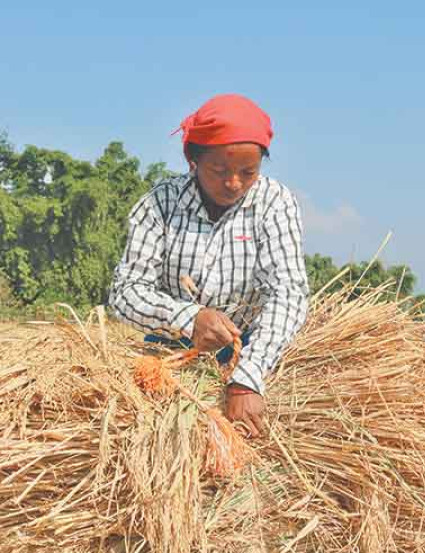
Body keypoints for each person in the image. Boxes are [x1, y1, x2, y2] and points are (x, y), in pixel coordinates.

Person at [110, 94, 309, 437]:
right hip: (168, 355)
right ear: (193, 161)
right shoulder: (160, 204)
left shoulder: (275, 204)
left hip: (251, 350)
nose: (233, 183)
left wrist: (247, 378)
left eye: (248, 172)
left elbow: (288, 293)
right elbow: (125, 293)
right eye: (219, 170)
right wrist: (189, 319)